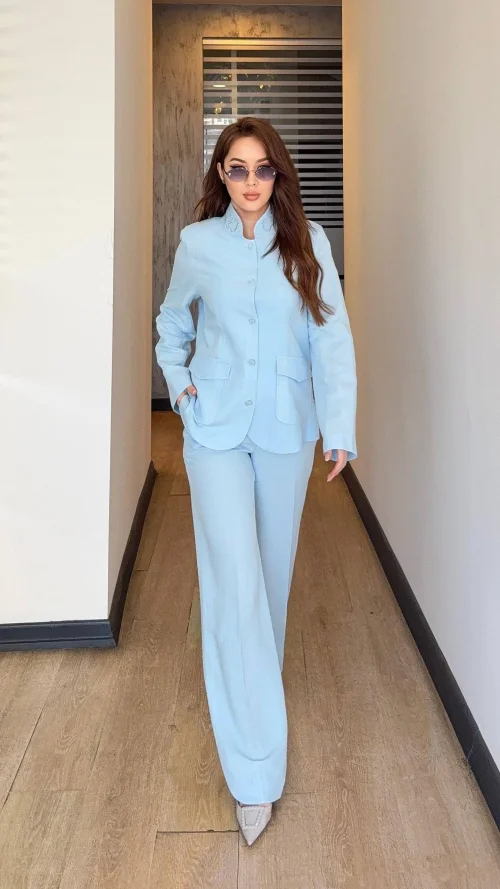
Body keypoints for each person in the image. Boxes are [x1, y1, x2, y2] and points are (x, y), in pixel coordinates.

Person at [155, 116, 357, 846]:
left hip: (284, 431)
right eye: (236, 168)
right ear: (221, 173)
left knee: (268, 582)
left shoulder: (308, 242)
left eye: (262, 169)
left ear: (278, 175)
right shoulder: (197, 244)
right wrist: (181, 388)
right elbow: (172, 324)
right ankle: (254, 773)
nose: (249, 182)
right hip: (212, 432)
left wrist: (339, 424)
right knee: (234, 581)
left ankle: (253, 702)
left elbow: (331, 336)